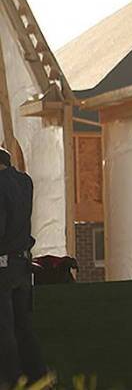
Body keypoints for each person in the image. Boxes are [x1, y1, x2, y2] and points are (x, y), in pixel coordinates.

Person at [0, 147, 43, 387]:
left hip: (3, 266)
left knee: (4, 330)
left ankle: (13, 382)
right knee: (24, 328)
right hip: (22, 264)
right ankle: (38, 378)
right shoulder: (24, 182)